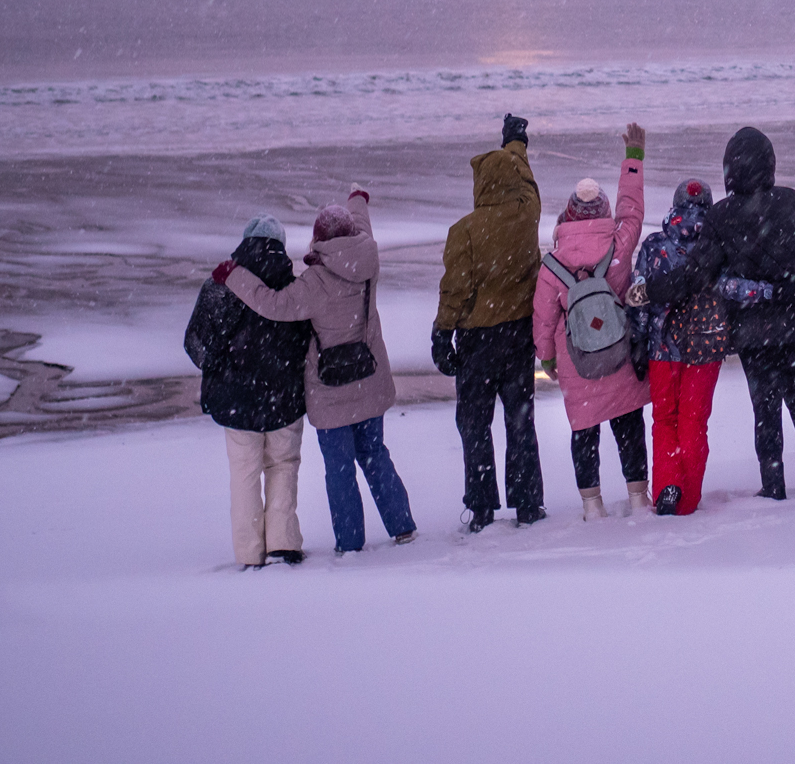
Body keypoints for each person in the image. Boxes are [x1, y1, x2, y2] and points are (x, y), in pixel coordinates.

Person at [633, 126, 795, 500]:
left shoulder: (722, 217)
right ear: (770, 164)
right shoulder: (793, 201)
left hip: (755, 332)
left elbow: (694, 277)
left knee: (766, 410)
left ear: (730, 169)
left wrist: (649, 291)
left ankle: (773, 486)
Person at [215, 186, 417, 555]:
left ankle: (351, 542)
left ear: (319, 239)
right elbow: (361, 224)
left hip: (331, 391)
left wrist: (234, 276)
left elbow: (272, 303)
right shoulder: (367, 260)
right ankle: (402, 526)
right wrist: (358, 197)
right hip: (370, 380)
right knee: (375, 454)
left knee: (340, 469)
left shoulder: (314, 284)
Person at [630, 177, 775, 515]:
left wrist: (637, 339)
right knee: (694, 421)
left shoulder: (654, 246)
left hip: (661, 349)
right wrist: (768, 291)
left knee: (664, 419)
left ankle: (668, 487)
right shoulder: (720, 245)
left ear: (674, 207)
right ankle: (688, 499)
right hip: (705, 347)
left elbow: (638, 297)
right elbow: (732, 287)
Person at [433, 113, 546, 531]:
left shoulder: (464, 230)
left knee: (475, 424)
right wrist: (516, 144)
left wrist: (442, 334)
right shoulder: (527, 214)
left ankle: (481, 506)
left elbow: (454, 290)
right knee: (520, 419)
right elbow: (529, 184)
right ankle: (528, 503)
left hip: (478, 341)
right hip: (519, 334)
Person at [534, 124, 650, 518]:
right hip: (618, 352)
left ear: (567, 216)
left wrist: (547, 359)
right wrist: (633, 160)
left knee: (584, 433)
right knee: (629, 426)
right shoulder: (619, 244)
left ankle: (593, 505)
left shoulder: (552, 265)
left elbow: (544, 319)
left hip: (577, 362)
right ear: (603, 213)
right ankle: (638, 497)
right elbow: (632, 210)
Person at [184, 213, 312, 569]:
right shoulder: (292, 286)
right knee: (283, 467)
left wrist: (221, 368)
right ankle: (282, 545)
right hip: (284, 398)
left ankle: (249, 552)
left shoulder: (218, 286)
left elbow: (194, 342)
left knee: (243, 475)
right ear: (281, 246)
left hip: (236, 402)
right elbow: (306, 340)